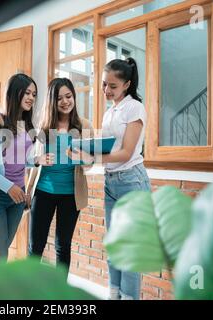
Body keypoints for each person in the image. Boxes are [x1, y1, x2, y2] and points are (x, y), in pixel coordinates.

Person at [67, 58, 151, 299]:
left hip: (132, 182)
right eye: (104, 84)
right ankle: (114, 295)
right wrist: (84, 153)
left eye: (112, 86)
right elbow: (106, 151)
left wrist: (92, 158)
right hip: (111, 181)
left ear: (126, 84)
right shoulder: (108, 113)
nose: (106, 90)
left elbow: (125, 153)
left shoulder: (134, 108)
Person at [26, 77, 94, 277]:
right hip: (43, 191)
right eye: (59, 98)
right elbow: (30, 159)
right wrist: (37, 162)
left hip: (71, 195)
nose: (65, 101)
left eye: (69, 96)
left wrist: (82, 158)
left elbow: (90, 164)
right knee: (35, 246)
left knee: (63, 246)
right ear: (52, 101)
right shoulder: (42, 126)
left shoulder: (84, 126)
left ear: (74, 97)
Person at [0, 73, 41, 262]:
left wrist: (36, 160)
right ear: (14, 93)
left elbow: (17, 159)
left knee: (1, 254)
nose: (31, 98)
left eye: (34, 94)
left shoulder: (27, 126)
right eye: (27, 93)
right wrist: (8, 187)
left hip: (17, 198)